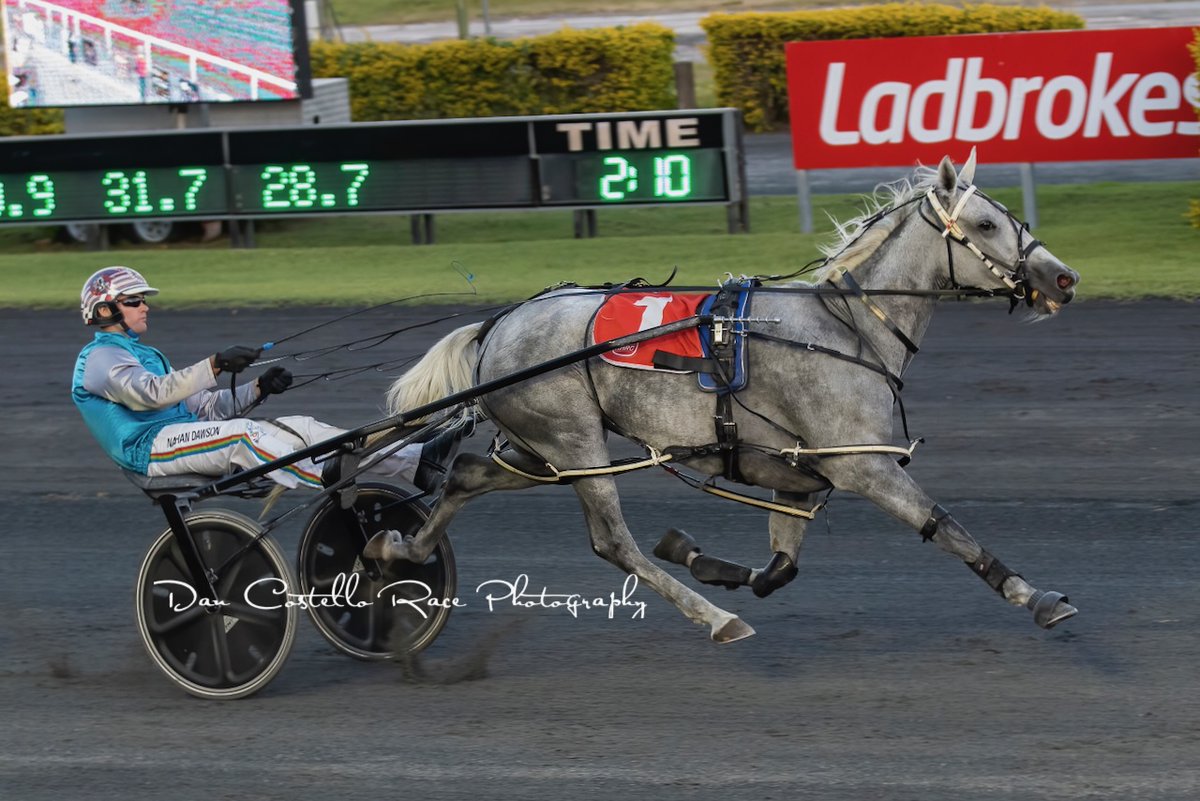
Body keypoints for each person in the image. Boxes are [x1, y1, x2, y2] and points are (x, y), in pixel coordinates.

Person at [71, 266, 459, 491]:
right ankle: (324, 475)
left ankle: (416, 462)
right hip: (149, 450)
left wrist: (258, 389)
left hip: (178, 436)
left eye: (143, 299)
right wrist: (216, 364)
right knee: (244, 436)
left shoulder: (147, 355)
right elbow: (150, 396)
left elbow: (203, 408)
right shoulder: (100, 358)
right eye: (135, 300)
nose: (145, 306)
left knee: (301, 427)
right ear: (106, 310)